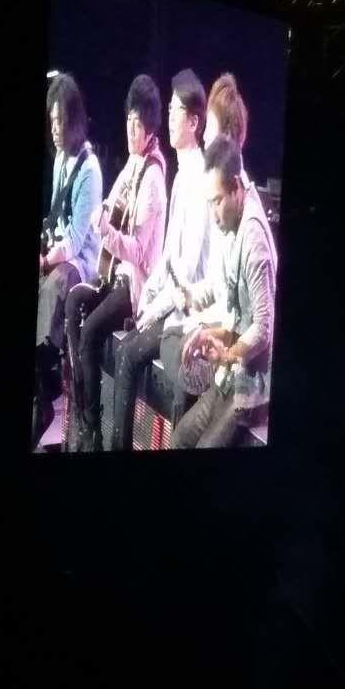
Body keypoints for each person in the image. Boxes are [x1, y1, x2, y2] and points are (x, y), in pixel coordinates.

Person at [105, 70, 213, 450]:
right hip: (172, 304)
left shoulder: (199, 179)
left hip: (189, 314)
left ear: (194, 122)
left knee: (129, 354)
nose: (168, 118)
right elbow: (168, 256)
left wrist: (155, 307)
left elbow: (187, 270)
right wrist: (149, 293)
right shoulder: (182, 175)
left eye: (175, 110)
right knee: (126, 346)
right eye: (168, 109)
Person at [63, 75, 168, 451]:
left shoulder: (153, 177)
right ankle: (82, 411)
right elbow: (111, 201)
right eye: (127, 121)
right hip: (114, 275)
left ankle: (92, 431)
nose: (130, 130)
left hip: (134, 286)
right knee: (73, 302)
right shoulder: (134, 164)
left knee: (91, 330)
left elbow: (139, 253)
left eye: (136, 124)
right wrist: (104, 210)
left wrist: (106, 233)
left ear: (150, 128)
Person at [171, 135, 277, 448]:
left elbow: (263, 328)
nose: (213, 214)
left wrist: (226, 355)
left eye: (217, 201)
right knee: (179, 438)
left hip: (253, 388)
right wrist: (208, 333)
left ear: (236, 189)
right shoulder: (233, 226)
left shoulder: (254, 240)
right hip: (231, 375)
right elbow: (236, 316)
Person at [34, 74, 103, 449]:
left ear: (74, 120)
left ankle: (45, 385)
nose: (55, 129)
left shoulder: (89, 169)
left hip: (82, 264)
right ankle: (41, 384)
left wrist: (47, 259)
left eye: (60, 121)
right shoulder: (60, 159)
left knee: (55, 284)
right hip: (60, 254)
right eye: (51, 121)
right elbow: (56, 222)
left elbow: (76, 240)